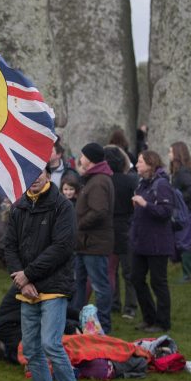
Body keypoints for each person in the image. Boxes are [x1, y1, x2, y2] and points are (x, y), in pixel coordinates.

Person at [4, 166, 84, 381]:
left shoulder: (62, 206)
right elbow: (10, 246)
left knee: (51, 344)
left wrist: (28, 275)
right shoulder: (19, 207)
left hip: (53, 286)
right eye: (30, 173)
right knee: (31, 350)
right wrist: (22, 279)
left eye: (39, 172)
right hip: (27, 288)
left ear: (48, 174)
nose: (35, 178)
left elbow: (62, 247)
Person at [69, 142, 114, 334]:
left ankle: (103, 323)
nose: (80, 158)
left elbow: (99, 212)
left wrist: (78, 225)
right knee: (79, 282)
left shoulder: (99, 181)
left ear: (91, 158)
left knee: (100, 285)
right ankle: (76, 319)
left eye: (83, 155)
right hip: (85, 243)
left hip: (94, 243)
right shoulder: (93, 179)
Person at [130, 150, 175, 332]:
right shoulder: (142, 184)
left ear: (150, 164)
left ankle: (163, 322)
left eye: (140, 162)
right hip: (141, 241)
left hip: (157, 243)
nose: (137, 165)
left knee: (158, 282)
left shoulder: (162, 184)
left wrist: (145, 204)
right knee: (136, 278)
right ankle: (149, 317)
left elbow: (166, 212)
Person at [103, 145, 139, 319]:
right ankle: (130, 306)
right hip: (126, 226)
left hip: (109, 227)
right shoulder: (130, 181)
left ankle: (114, 302)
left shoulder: (104, 181)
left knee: (112, 269)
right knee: (128, 270)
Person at [169, 141, 191, 283]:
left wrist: (178, 199)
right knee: (182, 241)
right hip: (183, 210)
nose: (169, 154)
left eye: (171, 151)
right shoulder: (178, 171)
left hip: (186, 211)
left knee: (184, 242)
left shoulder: (183, 172)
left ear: (177, 153)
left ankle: (189, 274)